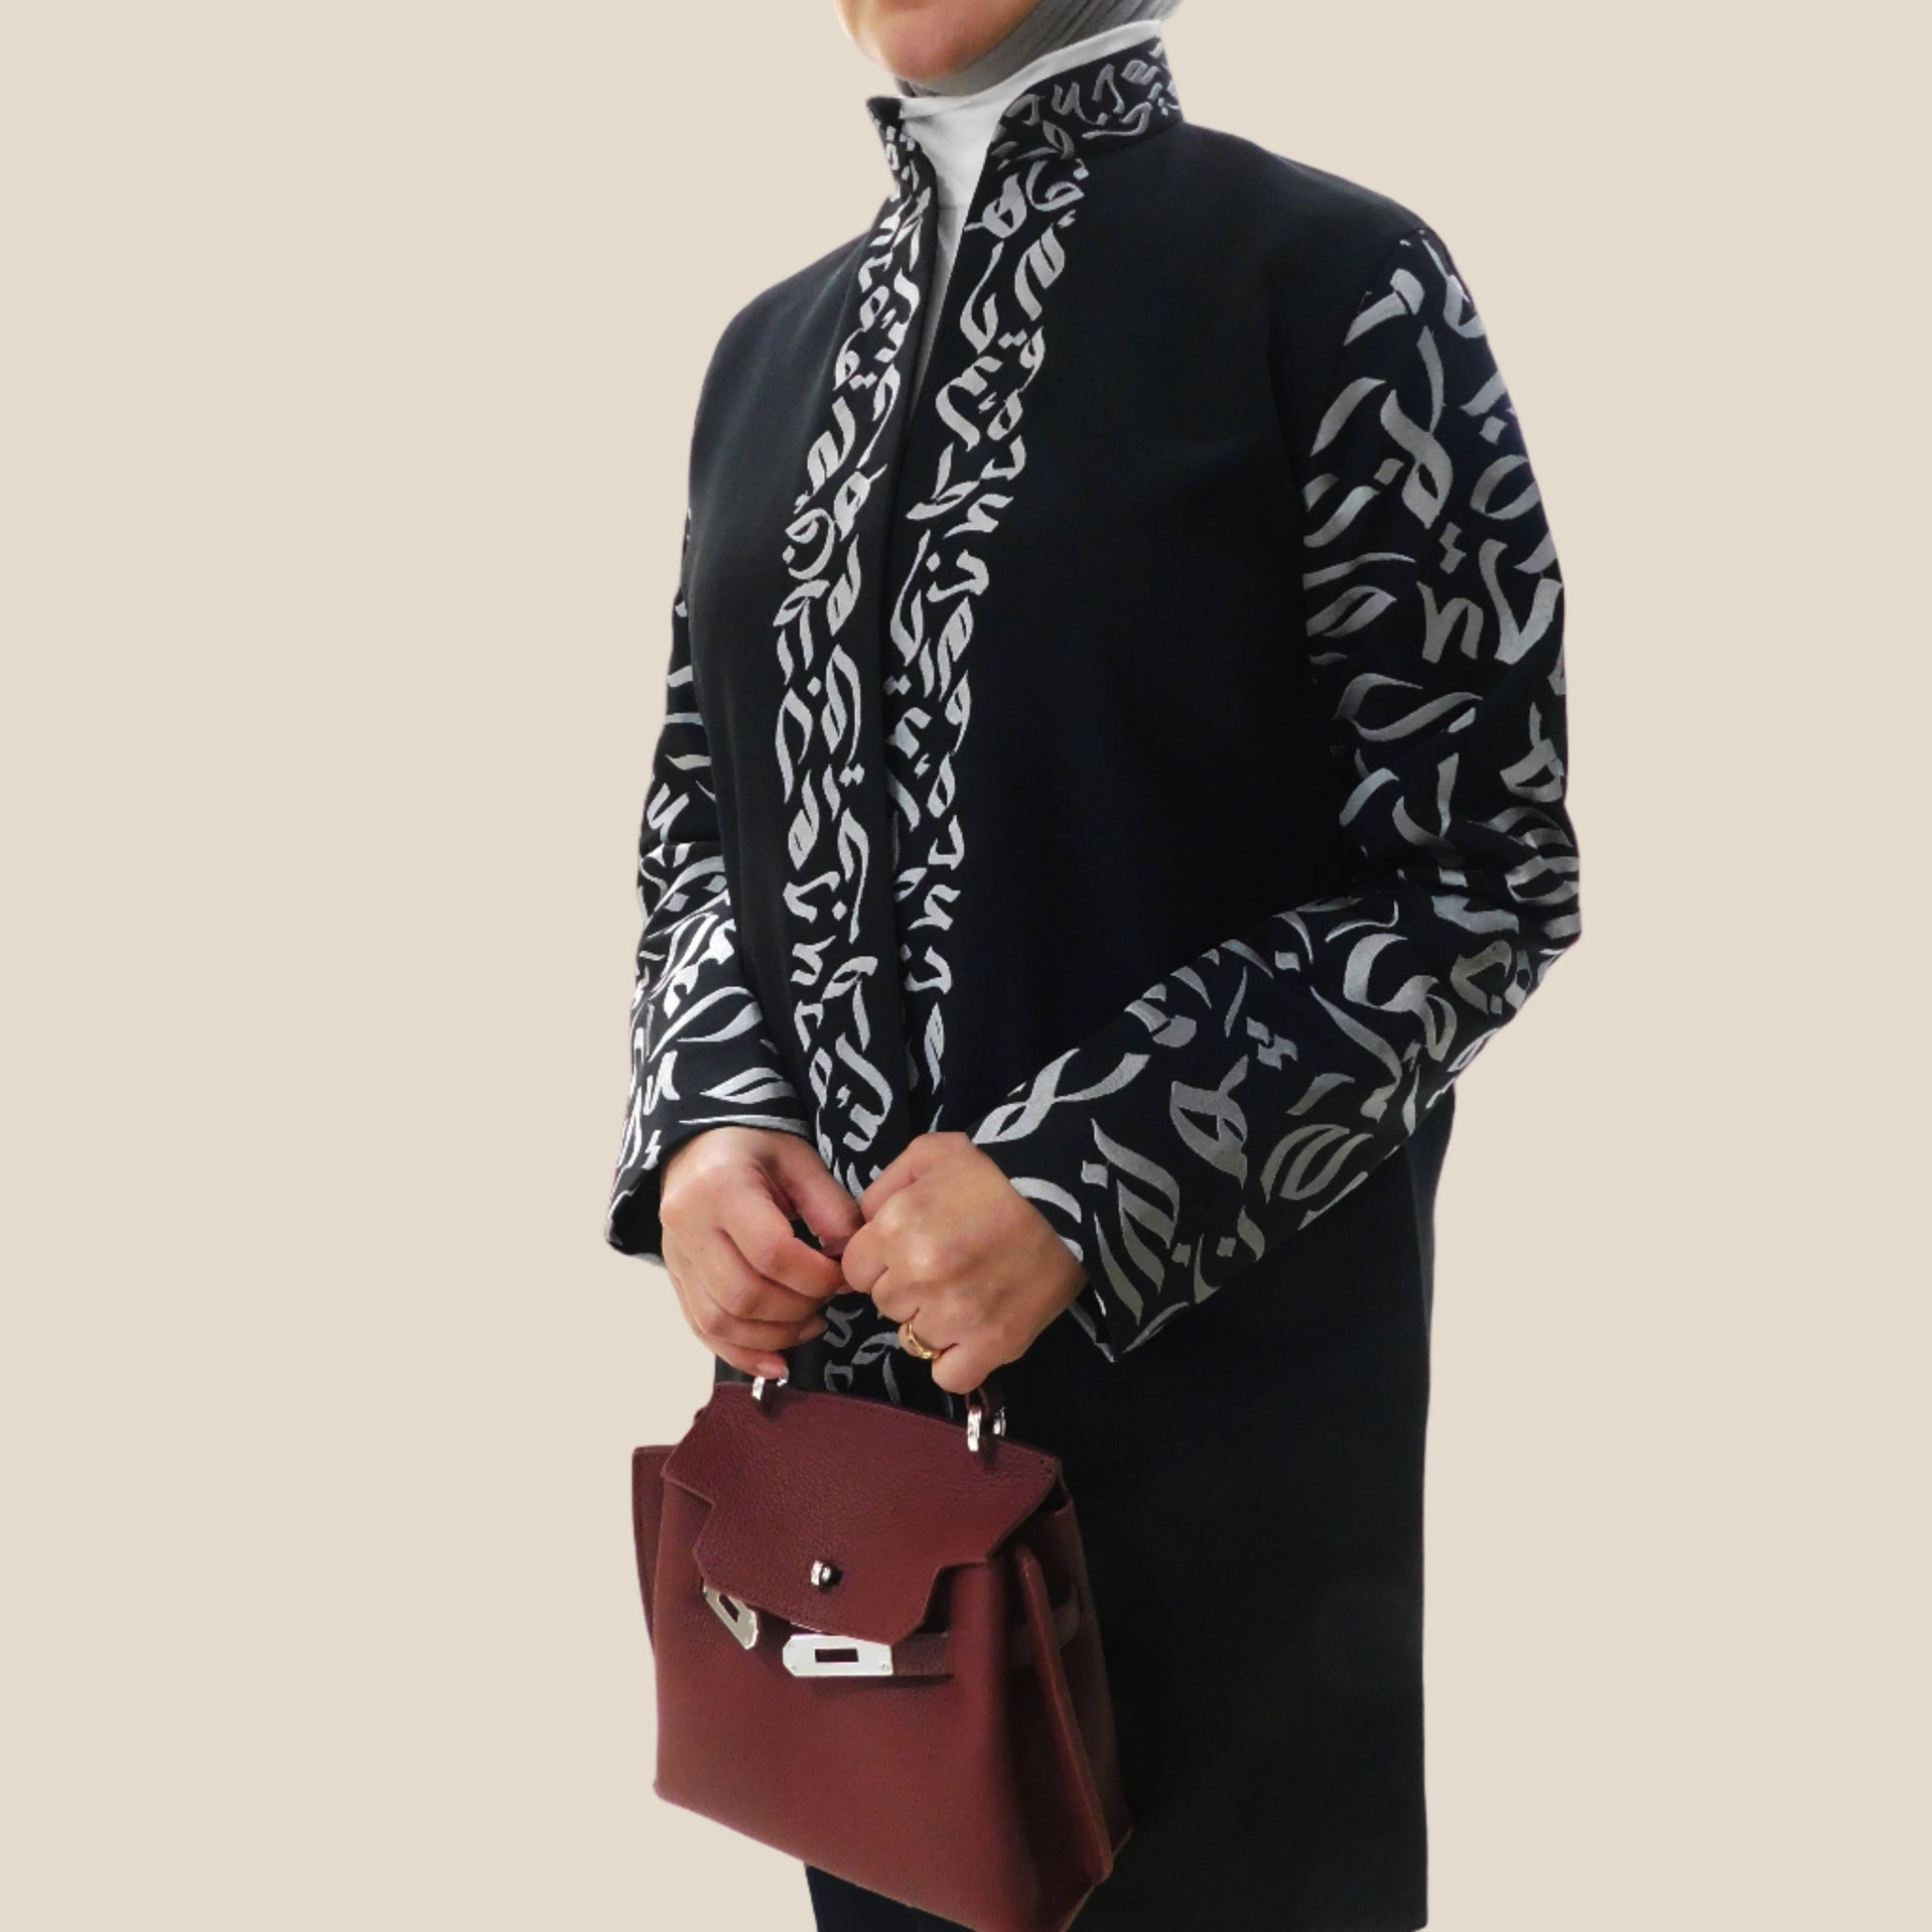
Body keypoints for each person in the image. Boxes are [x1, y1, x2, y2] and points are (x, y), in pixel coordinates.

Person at [605, 0, 1583, 1925]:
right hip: (861, 1524)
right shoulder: (766, 356)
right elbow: (702, 812)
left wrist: (1075, 1177)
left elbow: (1478, 872)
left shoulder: (1331, 284)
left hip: (1229, 1502)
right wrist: (711, 1123)